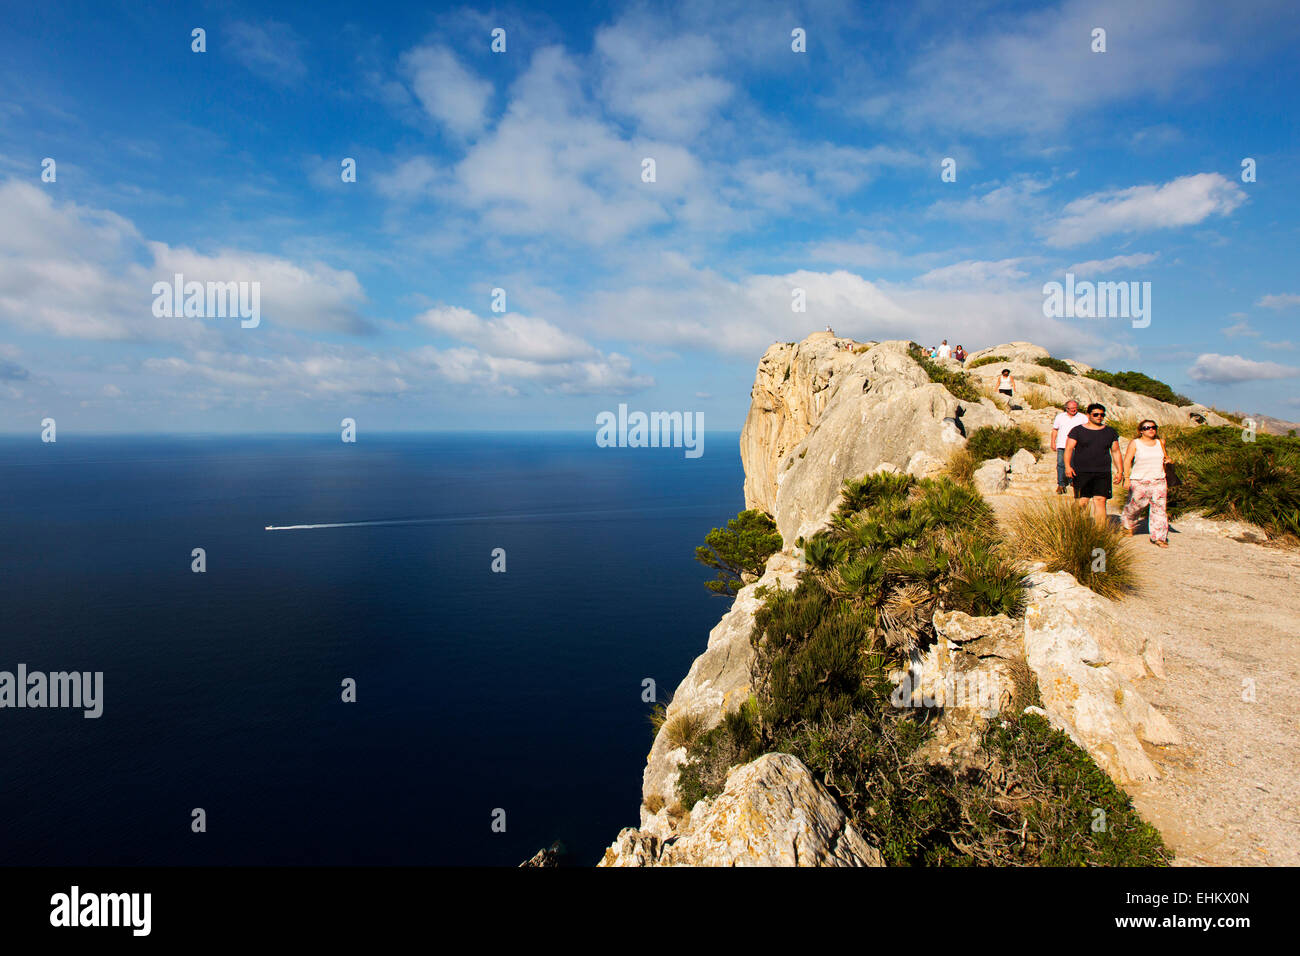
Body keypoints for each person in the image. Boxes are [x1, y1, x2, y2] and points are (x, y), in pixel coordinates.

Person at [1064, 403, 1123, 527]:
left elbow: (1116, 451)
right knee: (1082, 501)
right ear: (1088, 415)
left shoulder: (1110, 432)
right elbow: (1069, 449)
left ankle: (1099, 532)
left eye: (1102, 415)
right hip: (1082, 471)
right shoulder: (1077, 430)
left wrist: (1120, 471)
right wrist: (1068, 466)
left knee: (1100, 501)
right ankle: (1072, 524)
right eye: (1096, 414)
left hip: (1103, 472)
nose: (1099, 417)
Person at [1120, 420, 1172, 547]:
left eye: (1154, 427)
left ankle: (1159, 537)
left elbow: (1165, 458)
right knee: (1135, 505)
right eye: (1147, 427)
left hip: (1158, 480)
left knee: (1159, 509)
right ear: (1141, 431)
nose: (1151, 429)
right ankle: (1127, 524)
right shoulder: (1135, 443)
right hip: (1139, 480)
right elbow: (1127, 461)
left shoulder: (1161, 443)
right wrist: (1126, 478)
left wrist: (1168, 461)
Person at [1049, 399, 1089, 494]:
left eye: (1075, 408)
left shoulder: (1082, 417)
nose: (1073, 410)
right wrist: (1053, 442)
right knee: (1060, 464)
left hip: (1077, 445)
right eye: (1071, 408)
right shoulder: (1060, 417)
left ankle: (1073, 481)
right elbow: (1055, 430)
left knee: (1075, 464)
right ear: (1066, 408)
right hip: (1062, 444)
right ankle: (1061, 484)